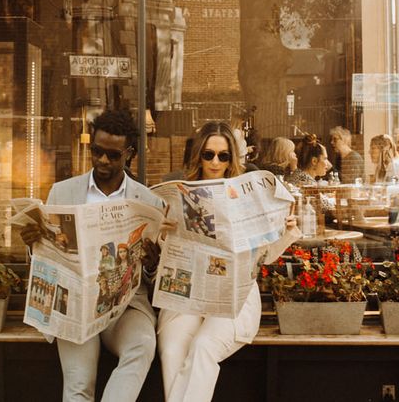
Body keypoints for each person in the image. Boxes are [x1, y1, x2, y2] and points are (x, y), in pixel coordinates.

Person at [20, 109, 164, 402]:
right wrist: (33, 243)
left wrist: (151, 264)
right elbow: (45, 261)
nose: (102, 161)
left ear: (129, 154)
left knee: (142, 346)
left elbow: (153, 277)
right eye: (96, 151)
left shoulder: (148, 200)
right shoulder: (63, 192)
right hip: (75, 307)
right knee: (78, 383)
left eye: (112, 155)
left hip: (125, 306)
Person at [156, 121, 297, 402]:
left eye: (223, 156)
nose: (216, 162)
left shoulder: (249, 192)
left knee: (203, 346)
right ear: (199, 155)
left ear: (232, 158)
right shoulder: (181, 191)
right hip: (187, 292)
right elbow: (163, 248)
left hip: (235, 295)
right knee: (172, 350)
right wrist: (163, 232)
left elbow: (266, 256)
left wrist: (285, 231)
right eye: (208, 155)